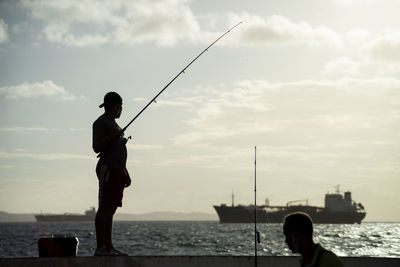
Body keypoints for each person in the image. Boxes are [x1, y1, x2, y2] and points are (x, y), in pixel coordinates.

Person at [92, 91, 131, 256]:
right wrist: (112, 137)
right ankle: (100, 248)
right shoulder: (100, 122)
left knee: (112, 208)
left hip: (118, 171)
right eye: (120, 106)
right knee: (104, 207)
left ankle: (109, 246)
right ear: (114, 106)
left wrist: (125, 172)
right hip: (107, 169)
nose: (121, 109)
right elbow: (96, 147)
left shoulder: (115, 124)